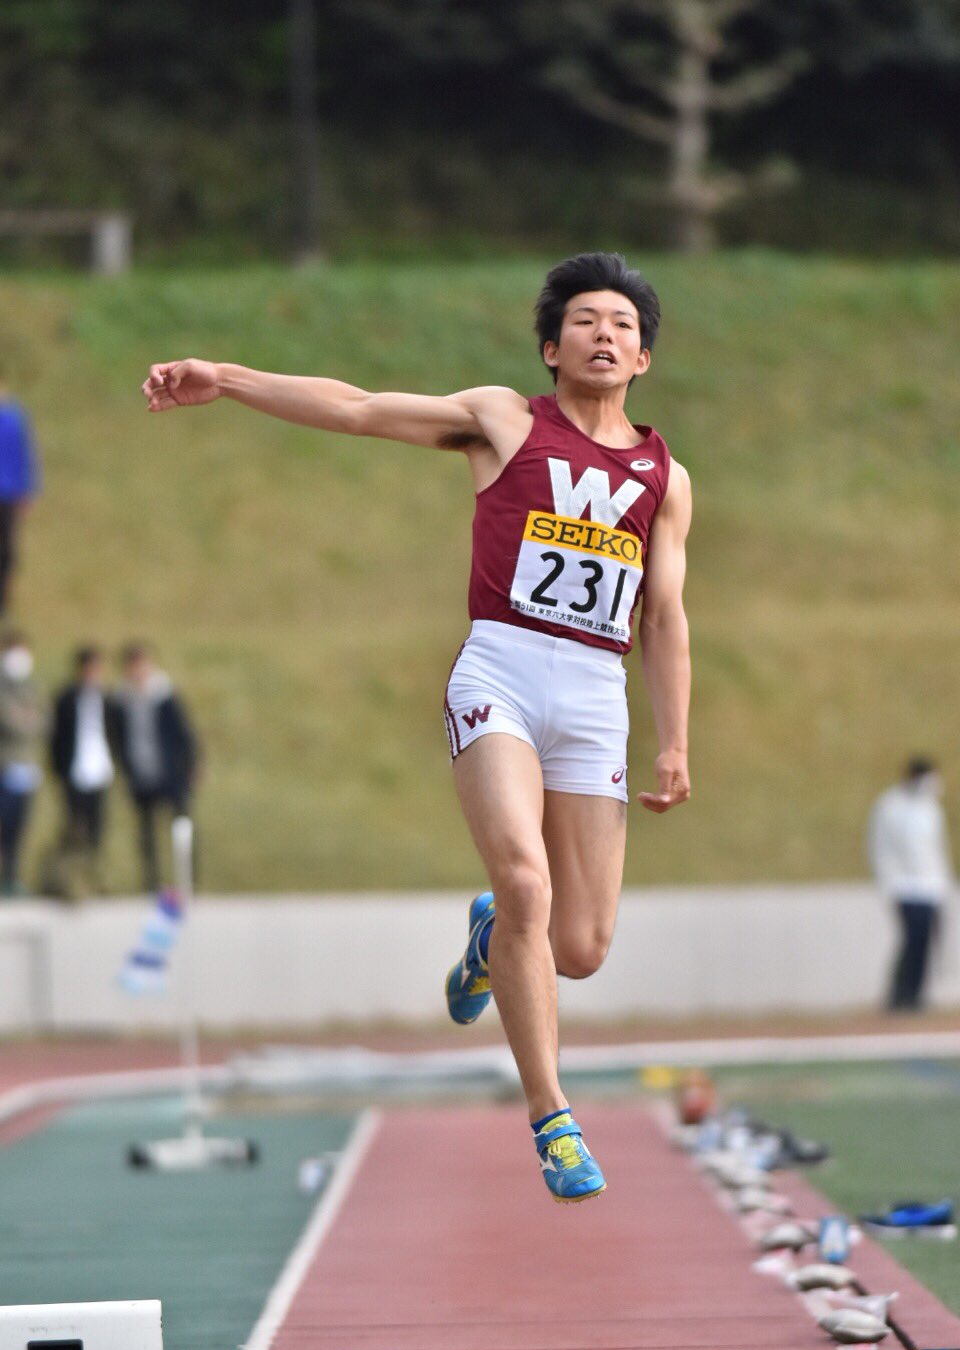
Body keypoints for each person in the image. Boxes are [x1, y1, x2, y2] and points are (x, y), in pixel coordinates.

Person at [142, 251, 692, 1203]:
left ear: (643, 358)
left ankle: (488, 943)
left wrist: (675, 740)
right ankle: (553, 1119)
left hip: (596, 696)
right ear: (551, 347)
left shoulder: (666, 477)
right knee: (525, 882)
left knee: (579, 948)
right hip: (502, 671)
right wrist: (225, 378)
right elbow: (358, 407)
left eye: (624, 326)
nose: (605, 335)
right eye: (586, 321)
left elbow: (666, 616)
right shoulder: (502, 420)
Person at [112, 642, 199, 893]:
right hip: (141, 773)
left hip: (170, 772)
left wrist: (192, 765)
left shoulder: (165, 696)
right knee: (146, 831)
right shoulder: (122, 701)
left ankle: (188, 879)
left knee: (182, 827)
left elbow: (184, 734)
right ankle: (152, 882)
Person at [869, 758, 953, 1011]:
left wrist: (943, 885)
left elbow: (937, 850)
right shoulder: (889, 805)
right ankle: (900, 994)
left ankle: (915, 996)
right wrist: (887, 883)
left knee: (924, 943)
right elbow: (880, 847)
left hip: (930, 888)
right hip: (903, 887)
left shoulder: (930, 808)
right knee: (911, 939)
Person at [50, 644, 118, 867]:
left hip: (100, 768)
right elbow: (57, 737)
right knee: (74, 823)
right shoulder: (66, 699)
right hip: (74, 769)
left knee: (98, 822)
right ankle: (73, 869)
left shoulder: (108, 699)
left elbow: (115, 734)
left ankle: (94, 868)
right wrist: (58, 769)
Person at [0, 630, 47, 895]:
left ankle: (12, 877)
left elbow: (44, 718)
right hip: (5, 766)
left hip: (27, 768)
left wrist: (25, 717)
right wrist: (26, 718)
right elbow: (9, 720)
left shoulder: (30, 684)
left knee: (19, 828)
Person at [0, 376, 40, 616]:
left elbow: (26, 455)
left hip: (9, 492)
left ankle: (3, 600)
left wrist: (29, 489)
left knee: (7, 549)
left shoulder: (15, 416)